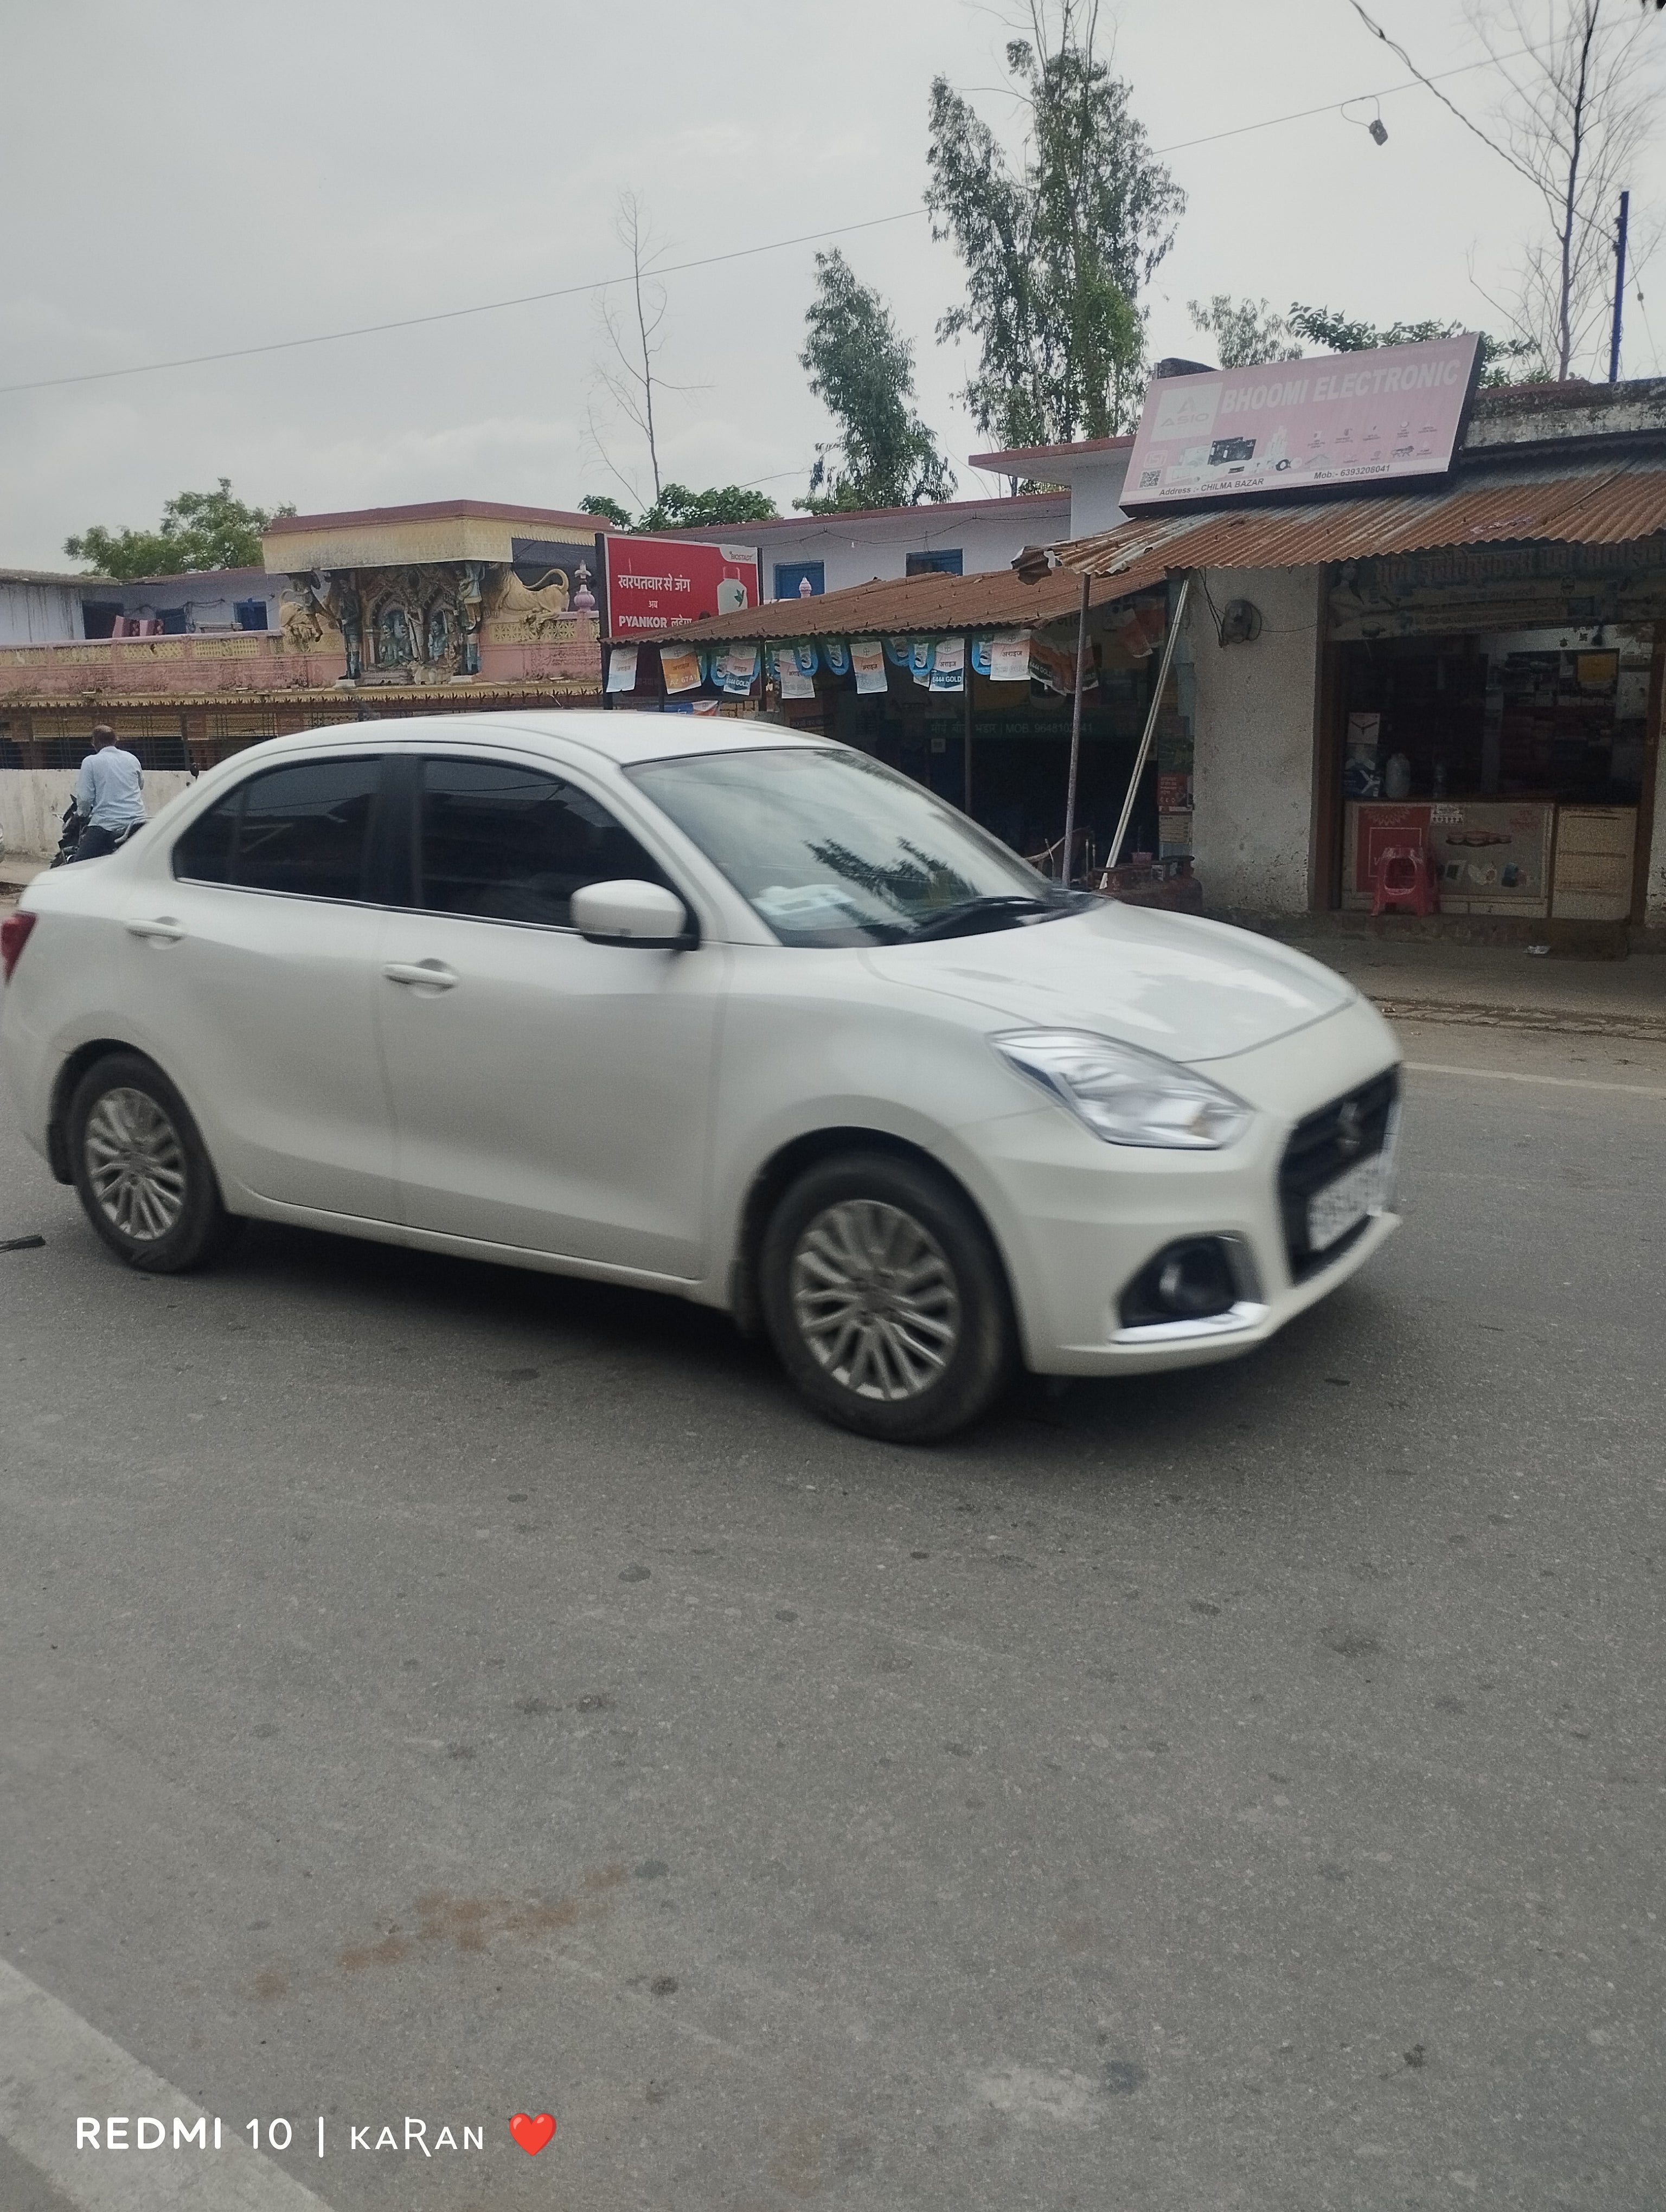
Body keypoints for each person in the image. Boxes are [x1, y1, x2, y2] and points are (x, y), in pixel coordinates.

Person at [71, 725, 147, 861]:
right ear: (115, 740)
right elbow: (140, 785)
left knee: (78, 865)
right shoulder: (132, 759)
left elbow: (85, 799)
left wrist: (80, 814)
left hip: (107, 825)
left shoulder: (90, 762)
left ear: (95, 743)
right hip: (137, 822)